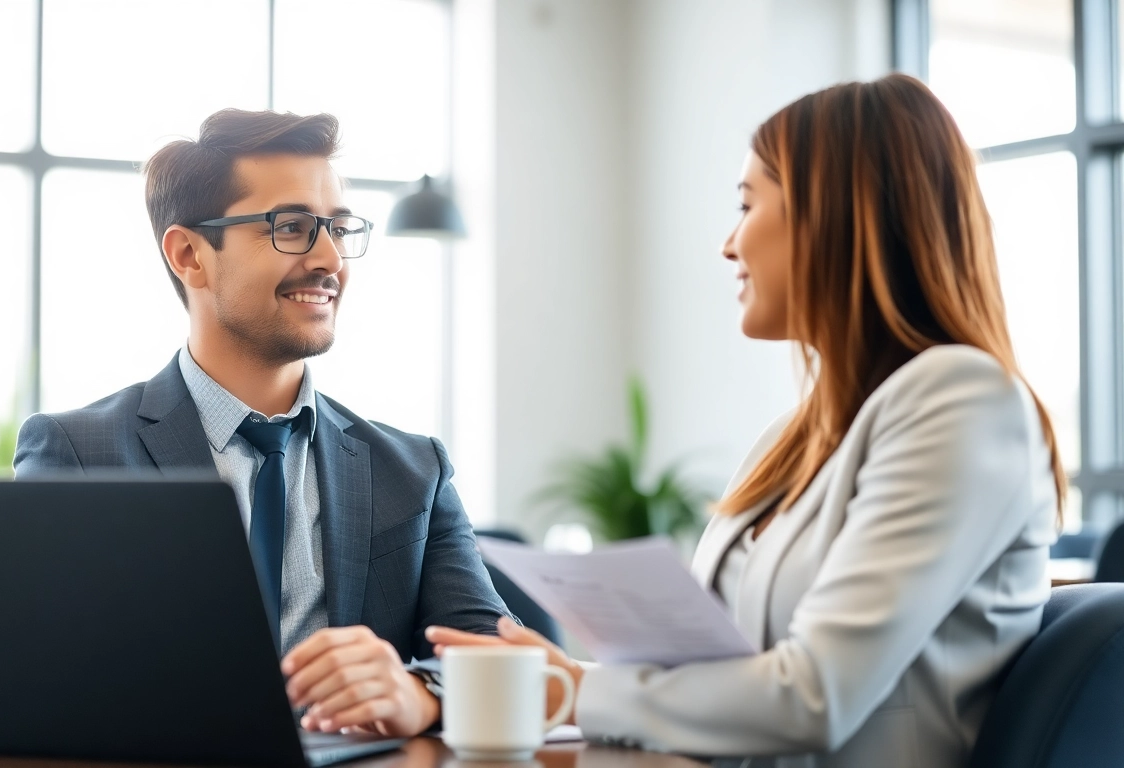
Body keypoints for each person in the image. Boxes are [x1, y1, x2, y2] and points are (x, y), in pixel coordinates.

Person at [428, 73, 1064, 768]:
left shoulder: (964, 399)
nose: (728, 245)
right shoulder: (789, 440)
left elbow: (813, 696)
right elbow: (720, 677)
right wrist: (562, 679)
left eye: (747, 204)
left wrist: (580, 691)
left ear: (833, 215)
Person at [14, 108, 509, 738]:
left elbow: (500, 657)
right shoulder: (80, 454)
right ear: (190, 254)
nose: (329, 258)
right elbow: (24, 675)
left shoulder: (412, 471)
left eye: (337, 228)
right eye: (292, 227)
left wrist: (421, 693)